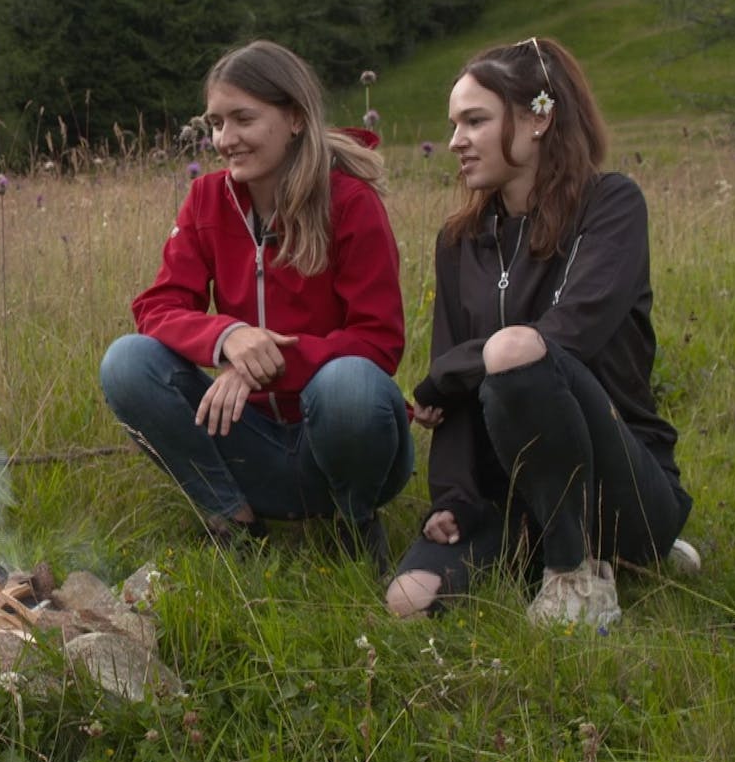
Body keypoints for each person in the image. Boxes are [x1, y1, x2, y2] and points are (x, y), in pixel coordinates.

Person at [385, 37, 697, 626]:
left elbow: (563, 338)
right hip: (509, 489)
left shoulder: (612, 207)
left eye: (475, 120)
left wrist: (445, 377)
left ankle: (582, 570)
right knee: (409, 601)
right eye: (454, 124)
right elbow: (451, 392)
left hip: (620, 482)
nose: (456, 141)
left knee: (519, 350)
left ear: (538, 119)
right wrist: (452, 495)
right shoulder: (458, 243)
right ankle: (559, 551)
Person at [99, 39, 412, 571]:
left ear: (294, 117)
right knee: (127, 362)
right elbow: (160, 305)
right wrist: (227, 338)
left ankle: (352, 525)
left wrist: (264, 366)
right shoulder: (207, 199)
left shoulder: (351, 202)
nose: (225, 139)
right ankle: (235, 523)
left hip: (335, 440)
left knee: (351, 385)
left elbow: (377, 340)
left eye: (243, 119)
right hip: (248, 443)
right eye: (216, 123)